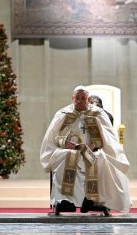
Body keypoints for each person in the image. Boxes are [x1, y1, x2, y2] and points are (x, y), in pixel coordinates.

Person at [40, 86, 131, 216]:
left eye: (83, 98)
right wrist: (64, 143)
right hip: (69, 150)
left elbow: (108, 137)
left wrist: (96, 144)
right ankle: (65, 201)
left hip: (92, 150)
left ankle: (92, 200)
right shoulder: (64, 114)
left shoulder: (98, 113)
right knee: (66, 156)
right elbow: (54, 138)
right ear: (73, 98)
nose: (80, 101)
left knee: (100, 158)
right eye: (77, 98)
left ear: (88, 99)